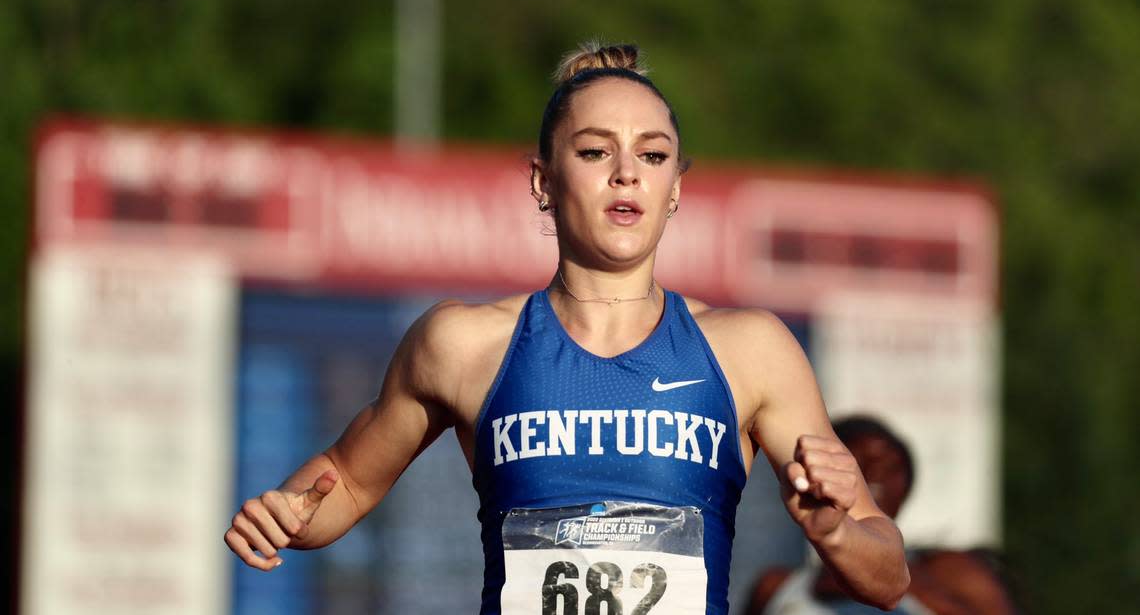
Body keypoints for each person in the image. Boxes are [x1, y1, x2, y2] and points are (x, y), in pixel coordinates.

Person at [224, 43, 910, 614]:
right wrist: (288, 511)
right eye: (593, 152)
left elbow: (888, 576)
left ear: (676, 186)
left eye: (651, 155)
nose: (625, 175)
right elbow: (345, 479)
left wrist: (835, 532)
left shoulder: (750, 349)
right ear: (542, 181)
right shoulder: (463, 344)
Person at [747, 416, 1017, 615]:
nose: (876, 471)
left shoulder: (951, 573)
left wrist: (901, 588)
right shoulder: (778, 588)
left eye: (891, 466)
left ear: (907, 487)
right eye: (860, 460)